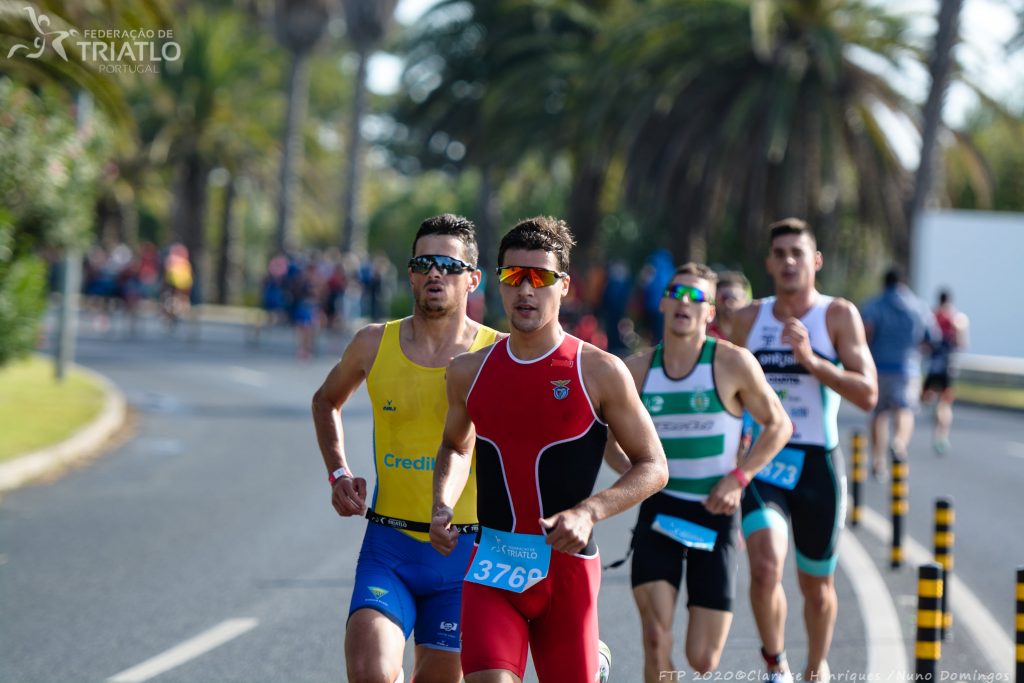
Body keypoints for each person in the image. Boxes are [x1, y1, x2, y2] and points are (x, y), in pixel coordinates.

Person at [429, 216, 669, 683]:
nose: (525, 290)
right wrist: (442, 504)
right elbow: (456, 448)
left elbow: (654, 465)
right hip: (492, 566)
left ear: (564, 286)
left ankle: (591, 660)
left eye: (539, 277)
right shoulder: (466, 372)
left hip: (568, 575)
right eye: (513, 276)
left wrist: (589, 512)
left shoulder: (599, 371)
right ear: (498, 283)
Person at [311, 214, 501, 683]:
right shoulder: (374, 343)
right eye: (424, 263)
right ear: (411, 273)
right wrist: (338, 472)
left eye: (448, 265)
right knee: (371, 671)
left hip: (465, 553)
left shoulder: (496, 354)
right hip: (389, 546)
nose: (435, 273)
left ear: (472, 279)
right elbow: (325, 400)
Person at [604, 263, 792, 681]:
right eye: (678, 293)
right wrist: (638, 475)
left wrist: (738, 480)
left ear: (709, 312)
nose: (685, 303)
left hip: (715, 512)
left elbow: (779, 425)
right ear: (664, 302)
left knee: (703, 659)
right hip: (660, 512)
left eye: (697, 297)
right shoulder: (636, 370)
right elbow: (605, 436)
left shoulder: (732, 363)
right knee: (655, 636)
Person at [730, 218, 877, 682]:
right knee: (766, 564)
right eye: (781, 253)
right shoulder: (749, 319)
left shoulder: (837, 316)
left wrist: (813, 361)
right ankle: (776, 664)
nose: (789, 261)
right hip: (764, 461)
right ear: (770, 263)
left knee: (816, 587)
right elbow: (723, 389)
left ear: (815, 261)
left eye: (799, 253)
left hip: (817, 462)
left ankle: (816, 667)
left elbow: (868, 393)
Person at [861, 267, 936, 476]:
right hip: (908, 366)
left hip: (879, 366)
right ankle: (899, 442)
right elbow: (931, 338)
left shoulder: (874, 305)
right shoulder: (919, 307)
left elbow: (866, 332)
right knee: (905, 409)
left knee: (879, 413)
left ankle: (877, 461)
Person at [921, 289, 969, 454]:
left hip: (934, 365)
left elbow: (924, 342)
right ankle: (942, 436)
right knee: (945, 402)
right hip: (949, 366)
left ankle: (936, 414)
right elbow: (962, 343)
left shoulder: (931, 317)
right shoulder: (958, 318)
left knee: (927, 398)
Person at [707, 270, 751, 341]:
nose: (728, 302)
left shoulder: (753, 332)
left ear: (745, 300)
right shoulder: (705, 332)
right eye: (723, 298)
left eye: (734, 297)